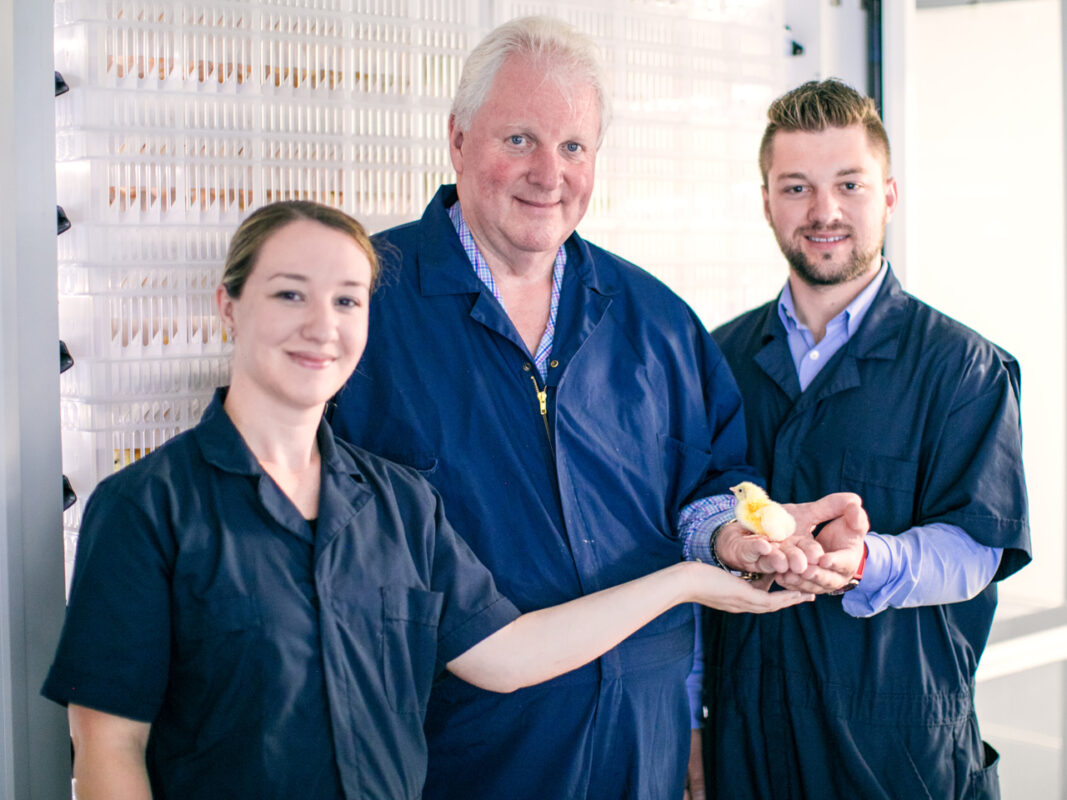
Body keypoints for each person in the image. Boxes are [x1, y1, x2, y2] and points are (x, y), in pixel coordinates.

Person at [41, 200, 822, 800]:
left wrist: (688, 581)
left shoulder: (397, 507)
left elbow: (509, 655)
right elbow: (108, 749)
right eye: (289, 294)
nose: (322, 326)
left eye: (348, 301)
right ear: (229, 305)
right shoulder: (147, 510)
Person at [327, 17, 867, 800]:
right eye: (519, 139)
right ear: (457, 138)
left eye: (573, 147)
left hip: (637, 749)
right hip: (453, 756)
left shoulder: (655, 319)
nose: (549, 173)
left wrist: (734, 538)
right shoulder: (365, 303)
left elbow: (708, 485)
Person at [698, 79, 1032, 799]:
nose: (823, 212)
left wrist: (861, 563)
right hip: (745, 742)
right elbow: (690, 535)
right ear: (765, 201)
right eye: (795, 188)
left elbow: (976, 550)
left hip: (896, 750)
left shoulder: (960, 368)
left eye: (848, 184)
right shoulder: (716, 361)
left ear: (885, 195)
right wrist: (692, 722)